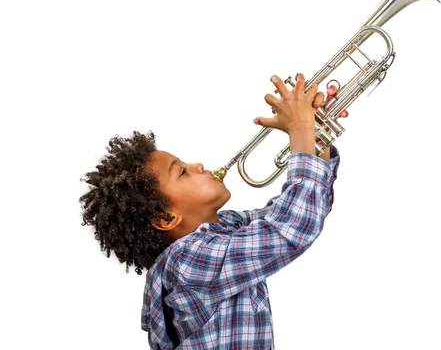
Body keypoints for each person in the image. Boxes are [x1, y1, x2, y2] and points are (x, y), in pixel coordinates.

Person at [79, 73, 348, 349]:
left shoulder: (225, 228)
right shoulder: (186, 261)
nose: (197, 165)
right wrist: (300, 129)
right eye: (182, 172)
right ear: (166, 218)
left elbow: (308, 211)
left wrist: (314, 134)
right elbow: (291, 229)